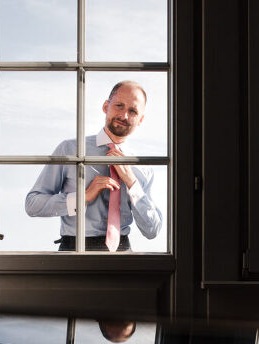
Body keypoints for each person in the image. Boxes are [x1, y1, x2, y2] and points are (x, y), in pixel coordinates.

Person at [25, 81, 163, 251]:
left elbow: (152, 230)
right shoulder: (70, 149)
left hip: (123, 257)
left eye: (132, 111)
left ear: (140, 119)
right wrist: (83, 197)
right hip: (74, 253)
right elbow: (32, 205)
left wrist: (132, 183)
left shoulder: (144, 169)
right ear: (106, 106)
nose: (124, 116)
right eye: (119, 106)